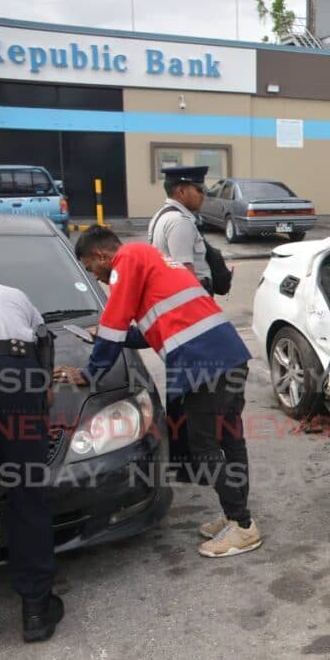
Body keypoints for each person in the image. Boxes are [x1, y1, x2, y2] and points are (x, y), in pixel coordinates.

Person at [54, 227, 261, 558]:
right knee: (229, 439)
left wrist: (92, 372)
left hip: (204, 365)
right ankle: (234, 516)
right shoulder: (149, 258)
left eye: (93, 271)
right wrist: (107, 337)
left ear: (102, 256)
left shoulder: (126, 260)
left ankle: (243, 525)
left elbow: (115, 320)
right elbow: (157, 329)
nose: (100, 280)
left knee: (204, 445)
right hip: (226, 357)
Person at [0, 274, 63, 642]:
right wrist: (45, 383)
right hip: (14, 375)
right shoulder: (11, 294)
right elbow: (44, 339)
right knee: (27, 493)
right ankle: (36, 611)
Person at [149, 166, 212, 293]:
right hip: (189, 299)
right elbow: (185, 275)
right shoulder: (180, 222)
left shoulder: (161, 214)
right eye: (199, 190)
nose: (203, 195)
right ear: (181, 192)